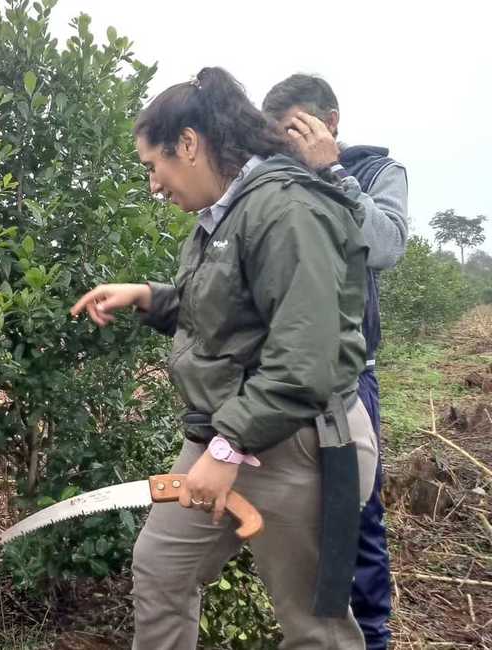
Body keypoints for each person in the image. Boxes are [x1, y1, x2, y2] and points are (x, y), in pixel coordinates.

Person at [71, 67, 378, 649]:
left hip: (301, 446)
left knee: (315, 627)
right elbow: (227, 310)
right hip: (226, 431)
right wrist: (150, 297)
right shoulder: (222, 216)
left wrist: (228, 446)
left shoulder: (287, 211)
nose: (154, 185)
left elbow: (305, 354)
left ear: (188, 143)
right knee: (162, 566)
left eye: (152, 166)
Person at [263, 74, 408, 650]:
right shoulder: (275, 177)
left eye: (298, 130)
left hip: (350, 380)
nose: (288, 144)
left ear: (331, 122)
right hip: (282, 378)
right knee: (293, 519)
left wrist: (331, 170)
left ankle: (372, 638)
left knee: (358, 520)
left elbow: (386, 244)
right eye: (279, 135)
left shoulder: (376, 173)